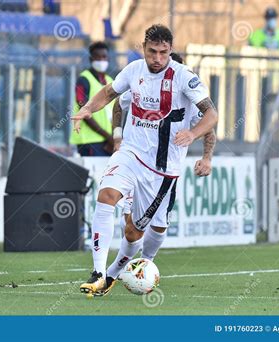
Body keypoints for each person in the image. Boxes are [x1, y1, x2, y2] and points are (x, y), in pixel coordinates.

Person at [72, 25, 218, 295]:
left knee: (134, 232)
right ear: (143, 47)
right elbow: (111, 95)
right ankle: (98, 272)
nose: (158, 58)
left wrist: (195, 137)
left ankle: (117, 272)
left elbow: (212, 117)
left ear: (170, 51)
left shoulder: (185, 78)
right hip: (130, 154)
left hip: (162, 170)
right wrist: (88, 109)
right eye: (153, 52)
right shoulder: (134, 70)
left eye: (164, 53)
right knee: (105, 196)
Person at [105, 53, 216, 290]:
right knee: (132, 224)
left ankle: (145, 263)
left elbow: (210, 126)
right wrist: (117, 138)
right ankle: (111, 274)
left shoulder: (187, 93)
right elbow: (117, 103)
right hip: (135, 162)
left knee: (158, 226)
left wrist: (206, 157)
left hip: (165, 171)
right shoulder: (143, 85)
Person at [69, 41, 115, 156]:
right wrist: (107, 136)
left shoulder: (110, 81)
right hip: (89, 141)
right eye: (97, 57)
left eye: (104, 57)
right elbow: (84, 111)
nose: (101, 60)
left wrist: (114, 137)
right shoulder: (84, 80)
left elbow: (114, 112)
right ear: (91, 59)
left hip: (108, 141)